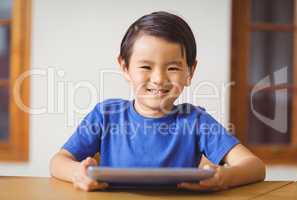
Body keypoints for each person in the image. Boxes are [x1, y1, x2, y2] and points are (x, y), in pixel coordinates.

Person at [50, 11, 265, 192]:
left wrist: (222, 178)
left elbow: (255, 167)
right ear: (124, 67)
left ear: (190, 71)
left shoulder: (196, 120)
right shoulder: (106, 114)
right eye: (146, 67)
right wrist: (77, 173)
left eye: (172, 68)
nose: (159, 79)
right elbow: (58, 161)